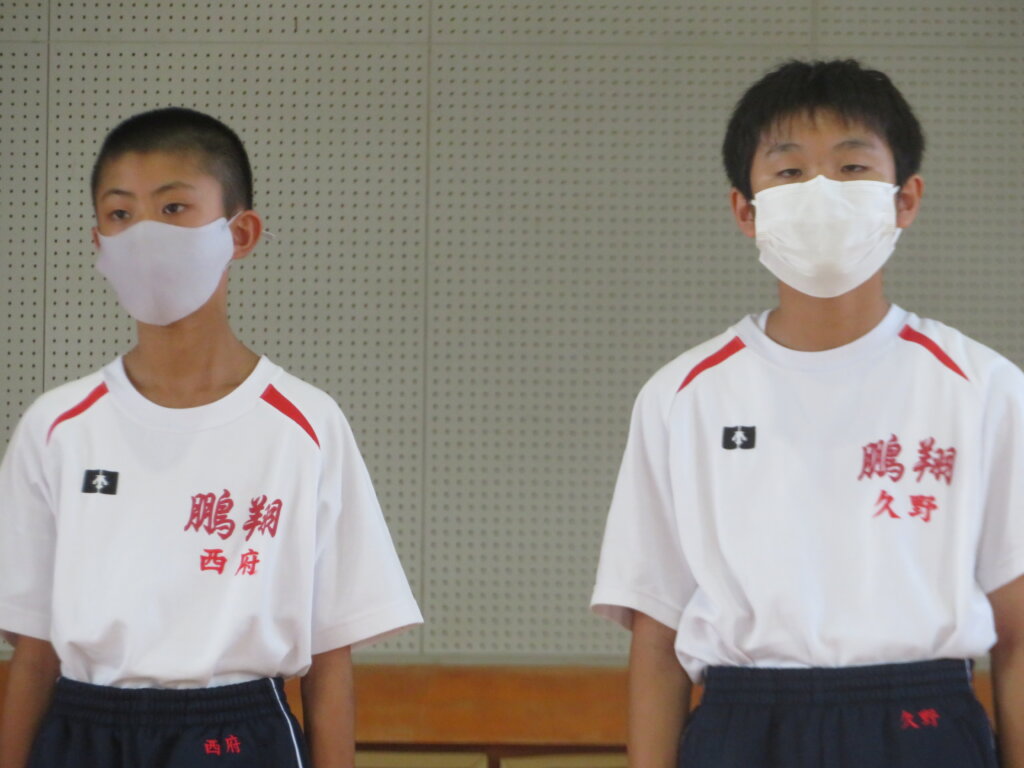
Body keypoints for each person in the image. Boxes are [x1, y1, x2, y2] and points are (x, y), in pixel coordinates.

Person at [591, 59, 1024, 767]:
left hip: (922, 720)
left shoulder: (984, 388)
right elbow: (658, 638)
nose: (822, 192)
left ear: (905, 199)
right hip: (743, 721)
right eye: (790, 171)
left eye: (852, 167)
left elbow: (1018, 632)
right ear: (746, 210)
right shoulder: (683, 396)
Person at [0, 107, 423, 768]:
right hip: (83, 729)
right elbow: (32, 652)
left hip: (240, 732)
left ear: (240, 232)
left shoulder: (305, 426)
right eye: (120, 213)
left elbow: (330, 660)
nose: (144, 233)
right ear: (98, 242)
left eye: (173, 208)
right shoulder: (56, 426)